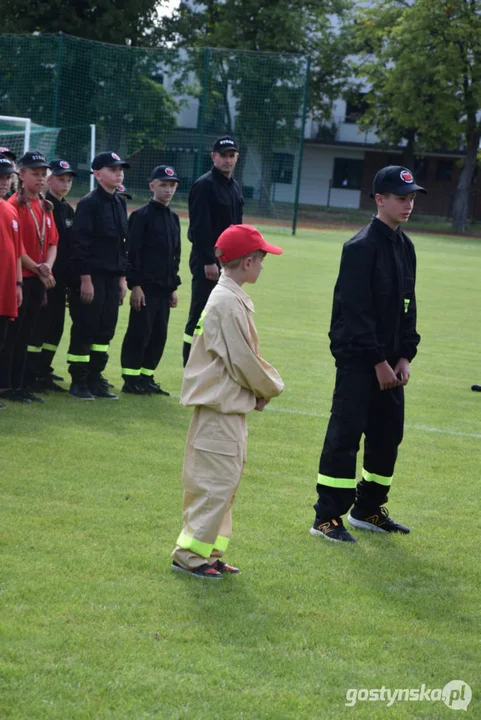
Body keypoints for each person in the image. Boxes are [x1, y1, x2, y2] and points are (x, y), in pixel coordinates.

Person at [310, 166, 424, 543]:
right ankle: (327, 517)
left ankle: (368, 508)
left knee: (388, 436)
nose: (408, 204)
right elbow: (355, 312)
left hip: (392, 364)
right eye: (400, 197)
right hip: (361, 361)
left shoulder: (405, 247)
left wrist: (404, 356)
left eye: (411, 198)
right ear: (379, 199)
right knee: (345, 436)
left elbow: (408, 307)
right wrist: (377, 361)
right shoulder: (359, 247)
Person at [172, 224, 285, 579]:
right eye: (262, 258)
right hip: (219, 410)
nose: (264, 265)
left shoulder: (228, 297)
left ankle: (209, 553)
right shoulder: (226, 302)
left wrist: (256, 392)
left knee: (224, 486)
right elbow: (244, 360)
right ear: (248, 262)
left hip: (228, 409)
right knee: (212, 485)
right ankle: (189, 555)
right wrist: (270, 388)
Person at [67, 151, 129, 400]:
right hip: (91, 276)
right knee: (85, 326)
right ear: (97, 173)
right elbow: (79, 244)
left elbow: (123, 244)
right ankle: (78, 381)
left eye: (120, 169)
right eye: (112, 169)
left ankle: (95, 377)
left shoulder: (119, 202)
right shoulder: (89, 203)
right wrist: (85, 279)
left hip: (112, 277)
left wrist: (123, 279)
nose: (119, 173)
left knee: (105, 330)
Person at [0, 151, 58, 404]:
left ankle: (18, 383)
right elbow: (16, 248)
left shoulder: (45, 206)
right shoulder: (13, 205)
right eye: (35, 173)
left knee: (26, 334)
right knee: (12, 335)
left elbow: (53, 241)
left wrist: (47, 267)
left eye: (44, 174)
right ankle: (7, 385)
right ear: (21, 176)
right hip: (20, 276)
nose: (41, 178)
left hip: (33, 278)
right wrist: (38, 269)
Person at [182, 136, 244, 367]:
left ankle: (211, 364)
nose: (228, 160)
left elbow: (237, 227)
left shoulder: (234, 186)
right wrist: (209, 261)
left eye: (232, 155)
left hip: (229, 263)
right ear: (213, 157)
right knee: (200, 314)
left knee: (222, 315)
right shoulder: (204, 185)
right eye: (223, 155)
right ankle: (190, 366)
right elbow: (199, 228)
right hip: (207, 261)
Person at [120, 165, 181, 395]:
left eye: (172, 185)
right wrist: (135, 285)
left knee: (158, 335)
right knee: (140, 333)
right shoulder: (141, 216)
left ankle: (146, 377)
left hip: (164, 289)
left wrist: (173, 287)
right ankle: (131, 379)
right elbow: (132, 254)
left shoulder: (173, 218)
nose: (167, 190)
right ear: (152, 186)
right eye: (163, 185)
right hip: (145, 288)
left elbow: (175, 256)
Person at [28, 159, 78, 393]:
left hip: (61, 280)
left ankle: (44, 370)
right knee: (39, 327)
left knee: (55, 328)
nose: (66, 183)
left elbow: (68, 247)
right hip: (44, 277)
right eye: (60, 179)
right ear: (49, 181)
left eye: (69, 180)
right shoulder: (43, 206)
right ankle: (30, 374)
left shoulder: (67, 209)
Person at [0, 154, 23, 409]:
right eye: (0, 177)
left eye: (7, 177)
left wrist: (18, 285)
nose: (4, 182)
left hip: (6, 289)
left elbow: (16, 252)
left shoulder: (9, 209)